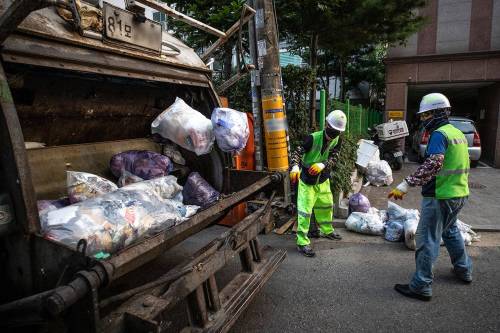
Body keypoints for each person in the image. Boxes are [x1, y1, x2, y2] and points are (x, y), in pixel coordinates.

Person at [389, 93, 472, 301]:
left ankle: (421, 285)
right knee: (451, 232)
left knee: (426, 239)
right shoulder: (457, 133)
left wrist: (405, 184)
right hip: (459, 193)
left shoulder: (439, 135)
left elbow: (434, 163)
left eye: (426, 115)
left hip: (440, 196)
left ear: (437, 113)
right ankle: (464, 270)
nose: (423, 119)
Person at [290, 110, 347, 257]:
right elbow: (296, 153)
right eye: (333, 129)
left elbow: (335, 157)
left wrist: (323, 164)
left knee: (326, 205)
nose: (335, 133)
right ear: (327, 124)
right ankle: (302, 242)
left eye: (338, 131)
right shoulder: (312, 138)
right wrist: (295, 166)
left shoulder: (338, 139)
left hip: (323, 178)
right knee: (305, 211)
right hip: (307, 180)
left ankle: (327, 230)